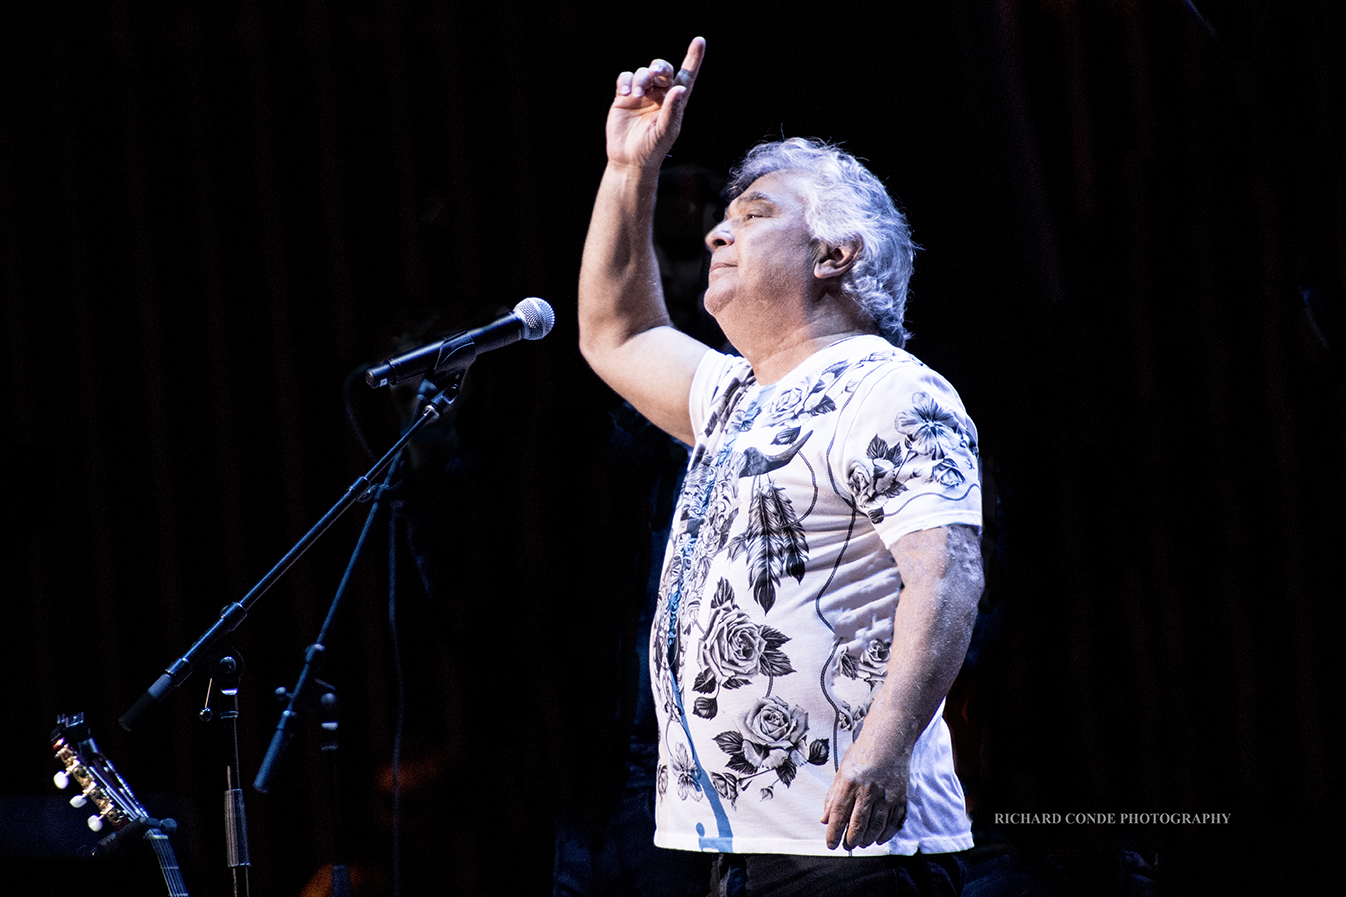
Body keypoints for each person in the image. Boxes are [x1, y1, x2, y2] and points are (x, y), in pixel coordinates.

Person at [577, 37, 985, 896]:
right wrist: (627, 170)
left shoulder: (891, 386)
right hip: (743, 850)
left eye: (757, 214)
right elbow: (616, 332)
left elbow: (945, 578)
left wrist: (881, 751)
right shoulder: (735, 395)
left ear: (835, 255)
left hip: (854, 850)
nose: (719, 228)